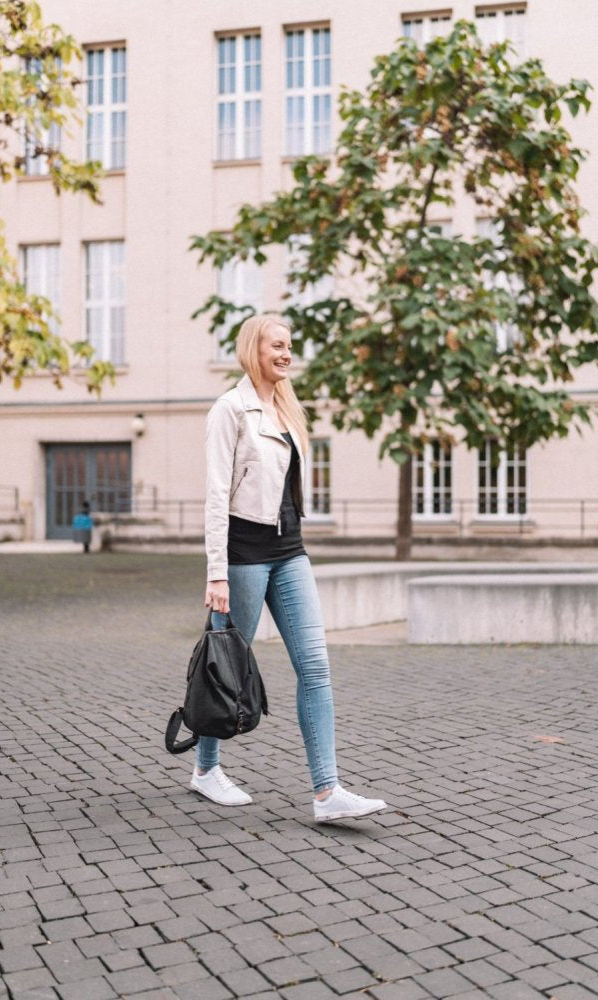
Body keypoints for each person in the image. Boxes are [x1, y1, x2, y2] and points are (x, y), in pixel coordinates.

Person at [194, 313, 387, 823]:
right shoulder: (229, 409)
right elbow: (215, 496)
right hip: (243, 553)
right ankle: (205, 769)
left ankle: (327, 792)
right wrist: (216, 572)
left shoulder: (287, 408)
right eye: (276, 345)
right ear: (252, 348)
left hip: (289, 550)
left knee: (316, 667)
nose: (285, 353)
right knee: (227, 669)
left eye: (289, 346)